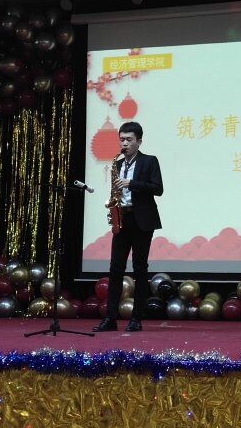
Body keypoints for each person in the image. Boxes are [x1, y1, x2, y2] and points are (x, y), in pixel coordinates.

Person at [93, 121, 163, 332]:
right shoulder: (117, 164)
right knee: (115, 269)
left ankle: (136, 319)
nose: (124, 143)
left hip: (142, 220)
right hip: (122, 219)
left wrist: (131, 184)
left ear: (139, 141)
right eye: (122, 139)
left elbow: (158, 188)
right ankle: (110, 319)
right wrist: (114, 208)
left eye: (129, 140)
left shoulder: (149, 161)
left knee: (140, 269)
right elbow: (117, 193)